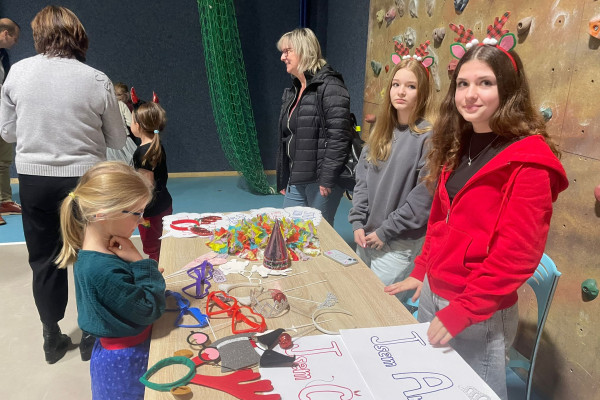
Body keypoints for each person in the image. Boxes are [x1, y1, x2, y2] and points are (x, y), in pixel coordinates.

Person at [384, 43, 569, 399]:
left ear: (508, 89)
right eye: (462, 84)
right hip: (434, 291)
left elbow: (517, 255)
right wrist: (421, 269)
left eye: (485, 83)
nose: (470, 94)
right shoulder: (460, 141)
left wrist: (464, 310)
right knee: (431, 385)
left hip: (478, 309)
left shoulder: (529, 161)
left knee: (472, 393)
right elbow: (440, 219)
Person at [0, 6, 127, 364]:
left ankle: (51, 337)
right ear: (78, 35)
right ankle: (91, 334)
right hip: (85, 181)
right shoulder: (96, 79)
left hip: (34, 180)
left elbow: (7, 132)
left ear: (38, 35)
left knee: (44, 259)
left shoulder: (18, 73)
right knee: (92, 254)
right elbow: (117, 138)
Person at [56, 161, 166, 400]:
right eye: (136, 213)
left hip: (120, 353)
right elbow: (150, 309)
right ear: (103, 213)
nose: (141, 221)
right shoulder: (101, 268)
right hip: (126, 361)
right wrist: (142, 265)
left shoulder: (94, 253)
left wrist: (139, 271)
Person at [349, 59, 433, 302]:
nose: (401, 91)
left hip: (398, 242)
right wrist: (357, 221)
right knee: (359, 298)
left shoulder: (428, 137)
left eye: (411, 86)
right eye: (396, 84)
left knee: (381, 307)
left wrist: (386, 230)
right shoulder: (381, 130)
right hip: (367, 235)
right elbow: (362, 181)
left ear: (422, 93)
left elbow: (423, 199)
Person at [276, 27, 353, 226]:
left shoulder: (330, 85)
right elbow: (288, 137)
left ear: (304, 50)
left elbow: (339, 137)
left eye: (287, 51)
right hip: (297, 177)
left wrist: (327, 178)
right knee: (290, 230)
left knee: (318, 234)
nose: (283, 57)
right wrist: (285, 176)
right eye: (282, 52)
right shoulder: (294, 90)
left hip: (320, 180)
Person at [131, 101, 173, 262]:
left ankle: (158, 272)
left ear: (138, 126)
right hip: (164, 203)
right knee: (161, 243)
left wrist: (138, 211)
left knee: (154, 248)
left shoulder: (142, 152)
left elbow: (147, 186)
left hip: (150, 211)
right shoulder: (156, 145)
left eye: (132, 121)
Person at [0, 18, 21, 226]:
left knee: (4, 159)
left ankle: (3, 201)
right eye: (15, 37)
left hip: (2, 114)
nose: (16, 42)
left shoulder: (4, 56)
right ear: (5, 33)